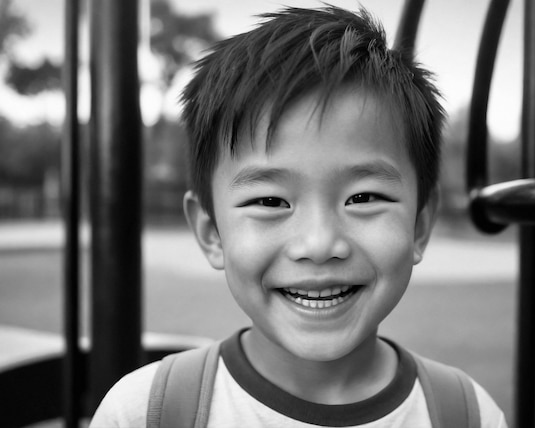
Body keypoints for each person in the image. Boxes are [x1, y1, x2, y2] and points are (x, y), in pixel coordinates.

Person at [90, 5, 507, 427]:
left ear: (420, 224)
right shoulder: (148, 412)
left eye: (363, 197)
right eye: (271, 202)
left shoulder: (466, 414)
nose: (320, 244)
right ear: (211, 231)